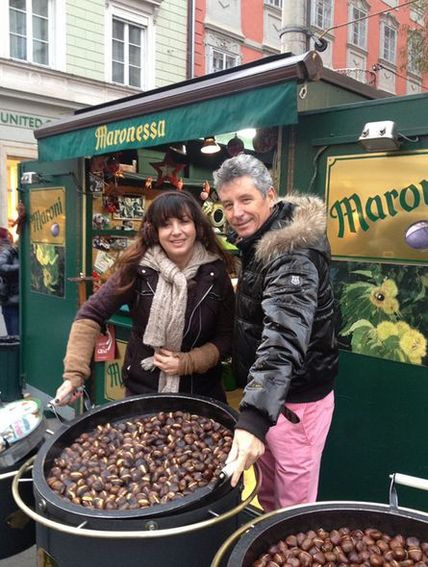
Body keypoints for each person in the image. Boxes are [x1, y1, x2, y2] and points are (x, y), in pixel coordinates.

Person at [213, 154, 338, 511]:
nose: (236, 212)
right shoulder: (261, 241)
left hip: (294, 404)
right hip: (271, 402)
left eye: (245, 200)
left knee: (292, 509)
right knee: (267, 495)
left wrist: (252, 419)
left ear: (270, 196)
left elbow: (282, 339)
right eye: (228, 204)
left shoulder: (292, 254)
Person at [54, 191, 235, 406]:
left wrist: (189, 362)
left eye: (184, 222)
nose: (176, 232)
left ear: (197, 227)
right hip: (143, 391)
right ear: (155, 231)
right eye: (166, 224)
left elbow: (227, 337)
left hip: (202, 394)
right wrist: (74, 376)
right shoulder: (137, 269)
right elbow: (91, 314)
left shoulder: (216, 273)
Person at [0, 227, 19, 336]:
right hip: (10, 301)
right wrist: (21, 268)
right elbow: (1, 267)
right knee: (14, 337)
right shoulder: (10, 252)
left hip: (21, 301)